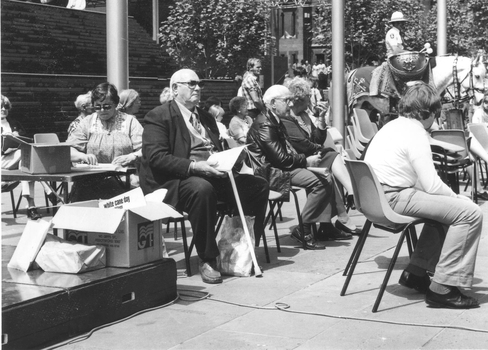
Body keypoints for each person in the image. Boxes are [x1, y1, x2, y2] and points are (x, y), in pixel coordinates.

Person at [139, 69, 269, 284]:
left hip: (213, 173)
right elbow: (156, 157)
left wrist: (231, 157)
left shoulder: (206, 117)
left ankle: (240, 247)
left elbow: (215, 148)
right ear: (174, 88)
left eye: (199, 83)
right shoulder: (159, 116)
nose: (197, 88)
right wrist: (194, 166)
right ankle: (208, 258)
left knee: (257, 186)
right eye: (191, 84)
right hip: (176, 180)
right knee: (202, 189)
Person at [364, 82, 482, 309]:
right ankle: (443, 288)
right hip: (393, 198)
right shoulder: (416, 133)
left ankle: (416, 272)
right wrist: (458, 198)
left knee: (447, 212)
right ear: (429, 113)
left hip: (376, 198)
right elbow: (432, 186)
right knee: (470, 213)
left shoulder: (391, 126)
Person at [247, 84, 344, 250]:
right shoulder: (266, 124)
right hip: (269, 173)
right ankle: (304, 229)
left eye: (290, 100)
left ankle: (309, 227)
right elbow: (281, 159)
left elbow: (311, 142)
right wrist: (306, 161)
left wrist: (320, 121)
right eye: (286, 100)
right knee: (321, 182)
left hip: (280, 168)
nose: (290, 104)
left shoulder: (276, 119)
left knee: (326, 177)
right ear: (272, 103)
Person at [283, 77, 358, 238]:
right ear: (298, 99)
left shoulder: (304, 116)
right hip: (300, 160)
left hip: (313, 156)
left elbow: (316, 139)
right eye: (308, 96)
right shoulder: (287, 118)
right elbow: (302, 144)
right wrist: (320, 149)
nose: (311, 99)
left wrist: (321, 121)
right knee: (330, 155)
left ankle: (327, 225)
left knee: (329, 171)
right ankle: (343, 208)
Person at [67, 82, 143, 201]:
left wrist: (131, 156)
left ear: (116, 104)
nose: (102, 110)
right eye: (98, 107)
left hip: (124, 181)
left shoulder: (130, 122)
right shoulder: (87, 123)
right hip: (90, 182)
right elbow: (68, 150)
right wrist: (82, 155)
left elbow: (146, 149)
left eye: (107, 106)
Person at [1, 95, 60, 219]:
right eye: (0, 106)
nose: (3, 109)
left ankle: (31, 207)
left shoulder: (14, 123)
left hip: (16, 158)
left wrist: (16, 137)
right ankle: (48, 190)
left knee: (26, 164)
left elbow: (26, 139)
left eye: (5, 106)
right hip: (2, 160)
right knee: (27, 158)